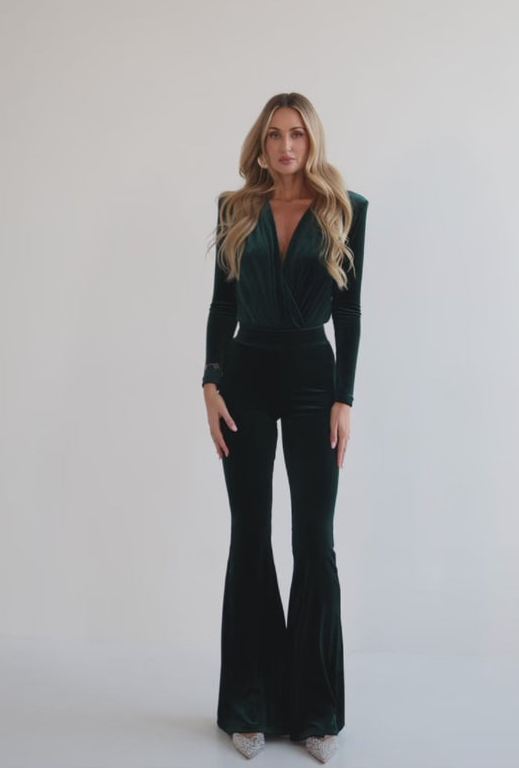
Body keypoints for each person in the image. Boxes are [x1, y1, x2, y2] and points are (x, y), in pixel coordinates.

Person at [201, 92, 369, 764]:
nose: (286, 146)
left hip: (311, 382)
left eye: (297, 134)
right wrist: (210, 382)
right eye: (274, 135)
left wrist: (344, 398)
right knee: (249, 536)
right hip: (244, 378)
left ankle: (315, 712)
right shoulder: (236, 209)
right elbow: (222, 305)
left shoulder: (345, 209)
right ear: (261, 144)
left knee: (314, 542)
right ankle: (249, 707)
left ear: (312, 140)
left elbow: (350, 312)